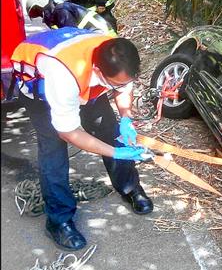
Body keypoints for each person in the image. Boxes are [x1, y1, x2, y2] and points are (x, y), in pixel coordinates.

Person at [11, 27, 153, 251]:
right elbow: (69, 132)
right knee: (53, 151)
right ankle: (58, 221)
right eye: (114, 83)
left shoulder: (117, 53)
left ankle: (129, 187)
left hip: (85, 79)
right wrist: (115, 152)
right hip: (40, 89)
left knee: (111, 130)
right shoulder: (63, 75)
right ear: (97, 70)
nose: (119, 86)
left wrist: (126, 118)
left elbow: (123, 86)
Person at [26, 0, 117, 36]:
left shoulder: (61, 10)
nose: (41, 17)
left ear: (42, 4)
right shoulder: (60, 9)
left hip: (103, 37)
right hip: (101, 35)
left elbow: (72, 37)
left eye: (37, 12)